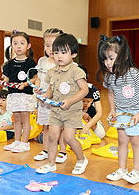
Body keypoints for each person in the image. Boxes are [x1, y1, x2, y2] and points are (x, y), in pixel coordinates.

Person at [97, 35, 139, 184]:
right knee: (121, 141)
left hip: (137, 112)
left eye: (111, 58)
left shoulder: (135, 74)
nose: (107, 63)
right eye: (105, 59)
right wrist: (113, 109)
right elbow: (111, 92)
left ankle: (136, 172)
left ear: (124, 56)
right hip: (122, 113)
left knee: (136, 142)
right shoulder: (109, 76)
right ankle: (122, 169)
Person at [35, 33, 89, 175]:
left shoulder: (77, 71)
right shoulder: (52, 72)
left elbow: (85, 90)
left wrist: (70, 101)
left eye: (64, 52)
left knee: (69, 138)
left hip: (71, 111)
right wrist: (44, 96)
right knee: (52, 136)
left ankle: (81, 159)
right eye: (56, 52)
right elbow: (51, 90)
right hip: (56, 110)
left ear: (74, 54)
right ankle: (51, 164)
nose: (59, 56)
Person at [33, 28, 69, 163]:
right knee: (46, 126)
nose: (51, 49)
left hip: (57, 101)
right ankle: (46, 150)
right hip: (43, 101)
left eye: (54, 45)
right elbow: (38, 78)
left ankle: (62, 151)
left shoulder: (62, 63)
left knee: (59, 127)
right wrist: (36, 88)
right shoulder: (42, 61)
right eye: (47, 45)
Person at [2, 31, 37, 153]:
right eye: (15, 43)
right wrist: (4, 82)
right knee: (16, 118)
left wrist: (25, 84)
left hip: (25, 95)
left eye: (22, 43)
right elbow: (6, 78)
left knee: (25, 118)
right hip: (13, 95)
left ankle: (25, 143)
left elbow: (34, 78)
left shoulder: (30, 63)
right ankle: (17, 141)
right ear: (11, 46)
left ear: (28, 46)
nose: (18, 46)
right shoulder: (9, 64)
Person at [78, 64, 104, 139]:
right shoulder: (69, 89)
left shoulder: (93, 89)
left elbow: (99, 113)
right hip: (74, 119)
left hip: (90, 118)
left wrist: (87, 126)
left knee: (100, 134)